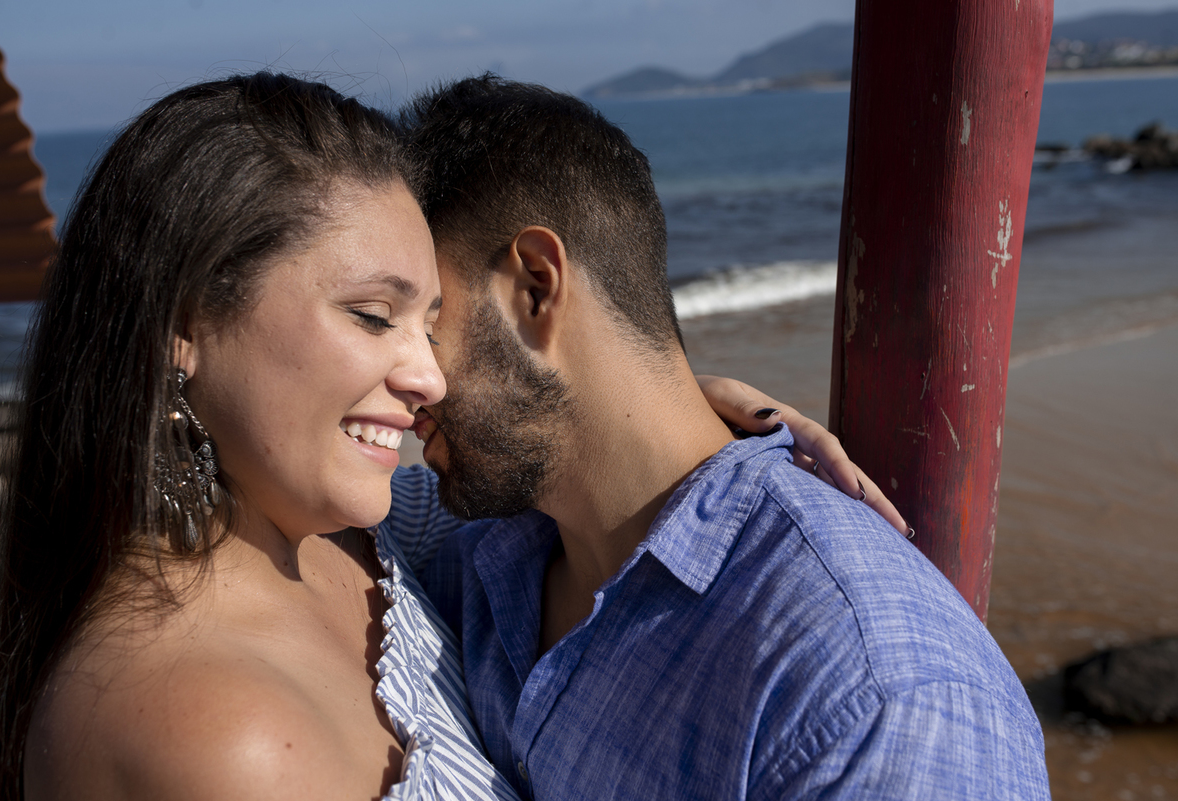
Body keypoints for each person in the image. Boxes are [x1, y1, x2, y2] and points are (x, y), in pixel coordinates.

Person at [0, 71, 882, 801]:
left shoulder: (365, 543)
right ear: (185, 324)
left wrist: (678, 401)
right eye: (374, 315)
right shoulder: (219, 735)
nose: (428, 375)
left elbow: (578, 473)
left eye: (432, 322)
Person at [405, 75, 1052, 799]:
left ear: (535, 286)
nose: (400, 378)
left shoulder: (869, 695)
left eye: (423, 326)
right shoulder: (460, 560)